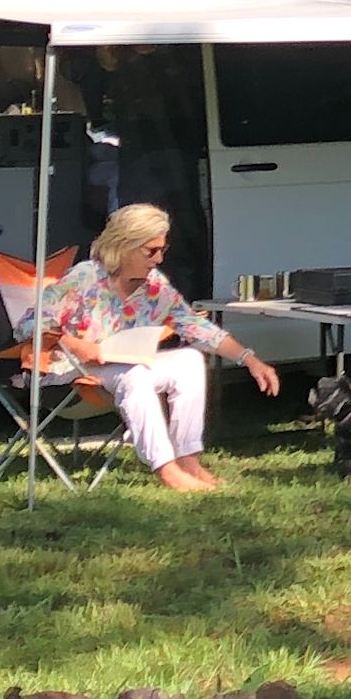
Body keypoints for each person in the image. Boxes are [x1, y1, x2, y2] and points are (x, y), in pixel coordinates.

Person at [44, 202, 276, 493]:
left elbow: (195, 326)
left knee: (189, 359)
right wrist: (76, 345)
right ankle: (166, 469)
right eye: (151, 251)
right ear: (124, 245)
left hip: (120, 367)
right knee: (135, 374)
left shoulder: (153, 286)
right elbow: (31, 324)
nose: (159, 258)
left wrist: (249, 359)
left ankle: (187, 459)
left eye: (162, 250)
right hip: (72, 372)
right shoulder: (85, 277)